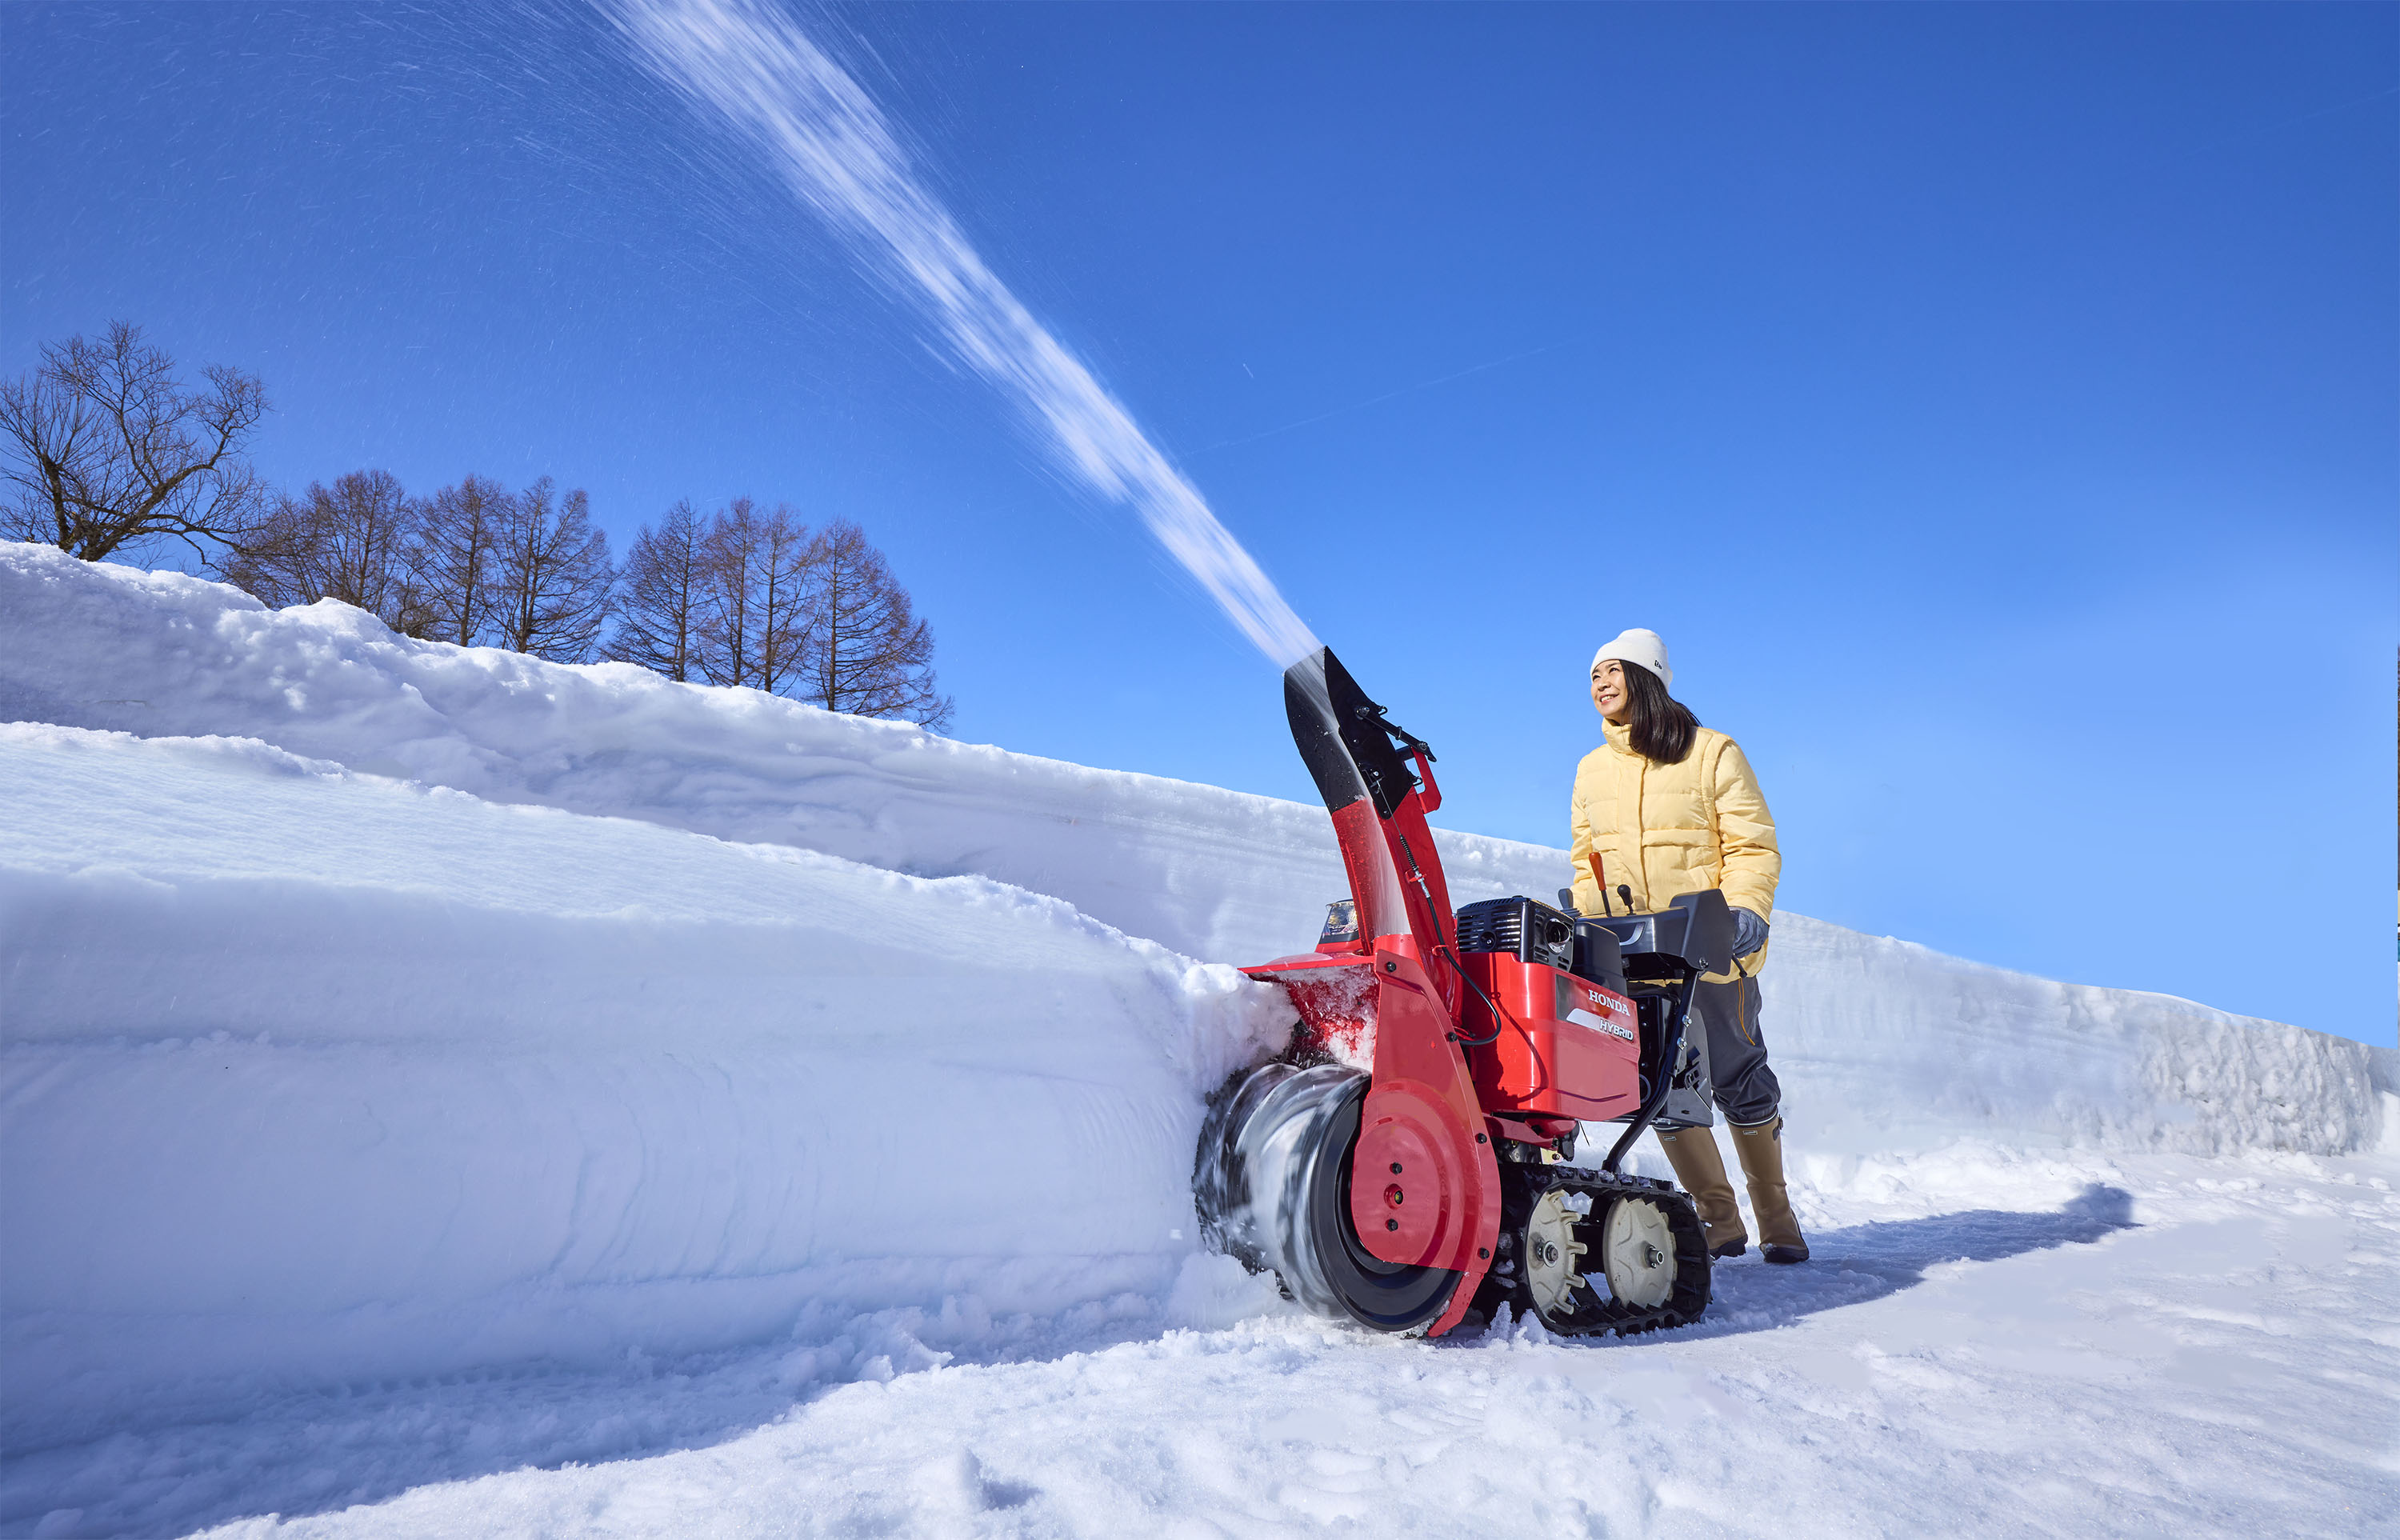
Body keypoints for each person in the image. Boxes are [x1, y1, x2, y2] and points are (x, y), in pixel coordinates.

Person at [1569, 627, 1809, 1265]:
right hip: (1638, 955)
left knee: (1739, 1080)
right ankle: (1720, 1222)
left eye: (1613, 671)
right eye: (1594, 675)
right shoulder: (1592, 770)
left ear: (1647, 676)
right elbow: (1585, 862)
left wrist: (1748, 909)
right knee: (1667, 1088)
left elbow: (1752, 844)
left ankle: (1778, 1220)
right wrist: (1586, 925)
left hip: (1710, 947)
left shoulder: (1710, 752)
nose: (1600, 684)